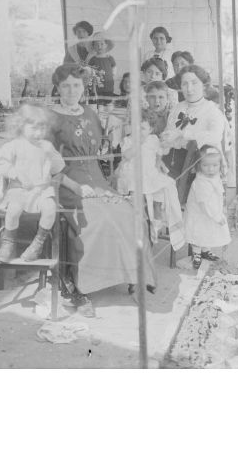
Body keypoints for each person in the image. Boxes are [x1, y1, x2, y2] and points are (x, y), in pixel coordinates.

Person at [50, 64, 157, 315]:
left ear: (83, 87)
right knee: (97, 220)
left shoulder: (89, 112)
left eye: (76, 85)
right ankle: (79, 285)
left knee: (130, 214)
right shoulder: (49, 118)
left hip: (97, 177)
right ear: (57, 88)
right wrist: (75, 186)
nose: (72, 91)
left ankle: (134, 277)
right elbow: (46, 163)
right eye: (66, 86)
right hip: (67, 180)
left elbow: (101, 147)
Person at [0, 104, 65, 263]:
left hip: (42, 191)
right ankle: (8, 242)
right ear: (21, 126)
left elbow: (58, 168)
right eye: (33, 128)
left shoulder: (46, 146)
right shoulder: (15, 145)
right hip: (19, 189)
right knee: (14, 209)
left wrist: (51, 158)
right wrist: (15, 174)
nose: (38, 133)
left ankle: (37, 243)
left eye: (42, 128)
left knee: (50, 209)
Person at [115, 119, 184, 250]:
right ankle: (138, 229)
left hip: (149, 174)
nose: (138, 131)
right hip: (133, 175)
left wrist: (160, 162)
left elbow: (160, 153)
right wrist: (139, 143)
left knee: (163, 190)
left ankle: (156, 226)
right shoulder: (128, 140)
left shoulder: (153, 139)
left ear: (150, 130)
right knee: (137, 202)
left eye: (142, 128)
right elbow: (127, 155)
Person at [161, 65, 225, 182]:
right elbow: (168, 133)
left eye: (194, 83)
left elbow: (215, 137)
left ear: (204, 85)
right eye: (184, 84)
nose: (189, 89)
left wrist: (182, 134)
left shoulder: (212, 111)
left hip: (198, 166)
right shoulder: (177, 108)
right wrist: (165, 138)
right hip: (172, 159)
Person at [184, 145, 231, 269]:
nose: (211, 169)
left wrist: (221, 209)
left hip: (211, 212)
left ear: (220, 165)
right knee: (198, 232)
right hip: (200, 212)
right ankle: (196, 254)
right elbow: (203, 204)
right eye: (205, 165)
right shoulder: (201, 182)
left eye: (215, 165)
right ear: (199, 165)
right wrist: (216, 217)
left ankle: (205, 251)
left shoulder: (215, 176)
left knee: (207, 231)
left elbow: (219, 193)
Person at [87, 32, 116, 104]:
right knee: (97, 104)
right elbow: (90, 72)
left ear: (106, 45)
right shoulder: (93, 59)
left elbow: (114, 67)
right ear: (93, 46)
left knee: (108, 102)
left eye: (102, 44)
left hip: (109, 85)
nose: (99, 46)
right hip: (96, 86)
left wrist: (112, 75)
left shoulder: (110, 58)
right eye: (97, 44)